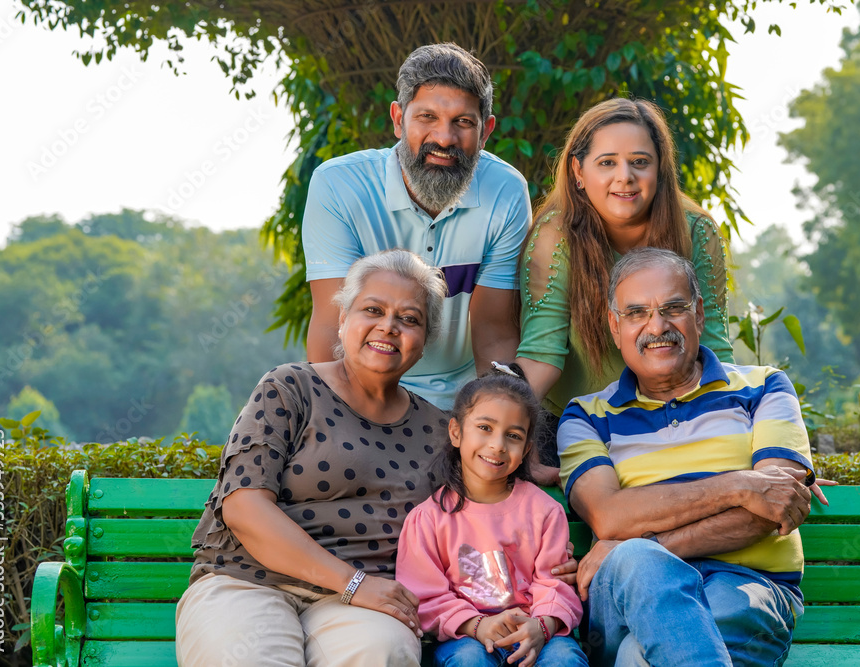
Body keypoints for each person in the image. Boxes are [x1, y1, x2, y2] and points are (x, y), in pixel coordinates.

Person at [175, 249, 450, 666]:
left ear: (424, 340)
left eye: (409, 318)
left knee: (384, 652)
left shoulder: (440, 431)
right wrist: (352, 581)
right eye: (372, 310)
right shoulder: (290, 388)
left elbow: (474, 519)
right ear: (342, 319)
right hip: (248, 582)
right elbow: (244, 507)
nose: (388, 327)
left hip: (358, 607)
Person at [560, 247, 820, 666]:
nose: (657, 326)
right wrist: (740, 486)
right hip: (625, 594)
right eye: (637, 312)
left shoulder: (764, 388)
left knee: (637, 653)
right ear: (615, 325)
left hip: (747, 589)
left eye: (673, 308)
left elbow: (777, 505)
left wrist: (648, 544)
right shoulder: (586, 416)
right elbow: (609, 517)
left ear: (698, 314)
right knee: (637, 565)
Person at [302, 42, 531, 410]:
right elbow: (332, 327)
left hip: (462, 398)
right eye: (427, 117)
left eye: (463, 122)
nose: (444, 138)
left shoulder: (506, 191)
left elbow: (494, 331)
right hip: (359, 393)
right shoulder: (338, 185)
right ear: (398, 119)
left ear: (486, 131)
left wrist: (491, 420)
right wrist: (340, 421)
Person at [514, 98, 734, 466]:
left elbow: (714, 347)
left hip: (678, 420)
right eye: (607, 163)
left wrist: (763, 448)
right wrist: (508, 431)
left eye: (640, 162)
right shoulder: (555, 235)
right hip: (574, 423)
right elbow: (540, 354)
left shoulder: (696, 230)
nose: (625, 177)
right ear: (578, 171)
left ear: (660, 168)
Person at [395, 372, 588, 667]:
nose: (498, 445)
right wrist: (477, 625)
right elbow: (424, 596)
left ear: (526, 450)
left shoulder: (544, 511)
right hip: (467, 636)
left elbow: (555, 583)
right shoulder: (428, 519)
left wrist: (541, 626)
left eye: (513, 436)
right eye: (485, 428)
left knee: (564, 658)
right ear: (456, 432)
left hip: (535, 631)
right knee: (469, 659)